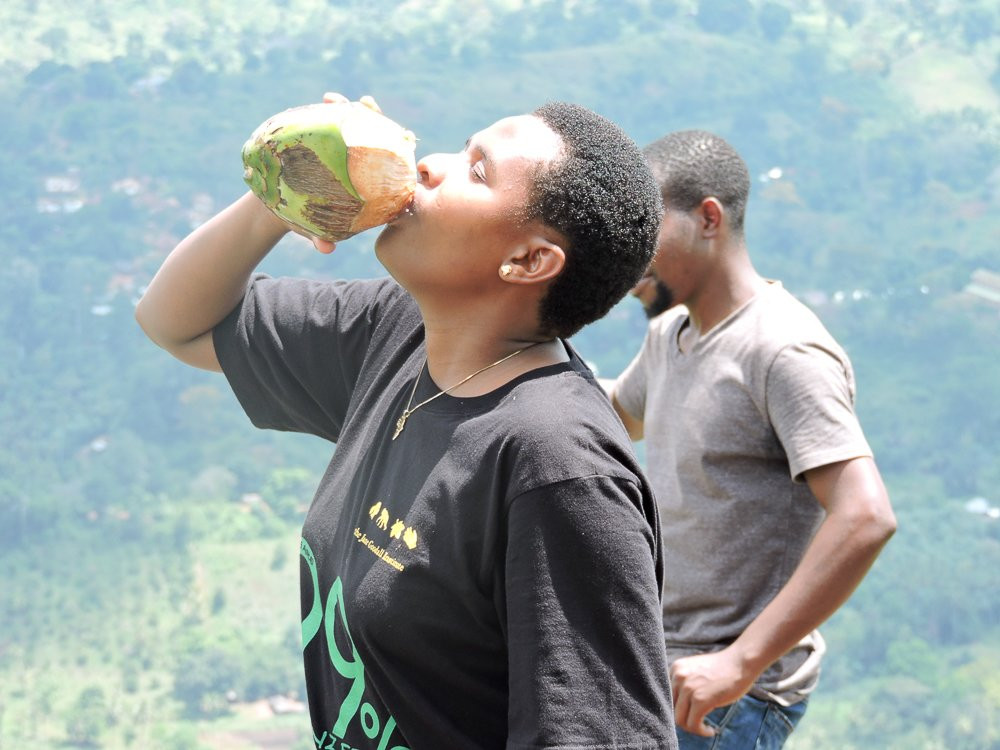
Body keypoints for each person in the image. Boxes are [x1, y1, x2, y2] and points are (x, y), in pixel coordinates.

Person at [136, 94, 679, 750]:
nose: (432, 166)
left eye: (477, 172)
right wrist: (288, 187)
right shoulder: (396, 333)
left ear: (530, 262)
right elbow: (175, 322)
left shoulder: (560, 469)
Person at [603, 129, 897, 749]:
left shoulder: (783, 350)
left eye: (645, 230)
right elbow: (619, 414)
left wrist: (739, 664)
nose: (632, 255)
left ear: (708, 217)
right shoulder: (673, 332)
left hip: (728, 702)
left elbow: (865, 516)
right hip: (665, 673)